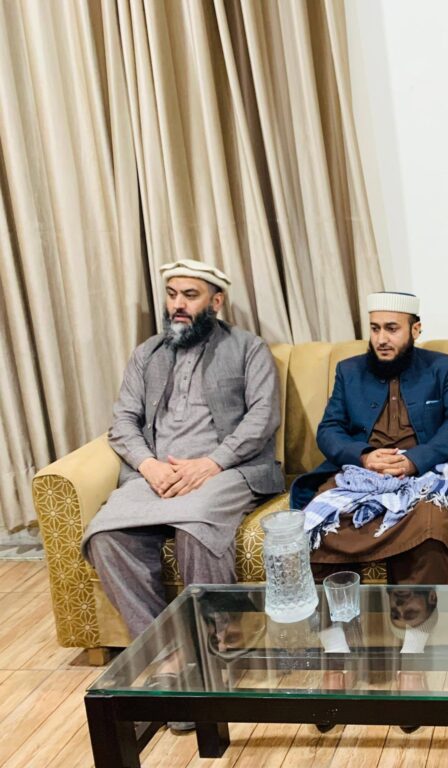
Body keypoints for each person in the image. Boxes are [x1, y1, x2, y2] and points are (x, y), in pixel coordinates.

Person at [83, 259, 282, 681]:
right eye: (172, 294)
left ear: (216, 301)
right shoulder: (147, 354)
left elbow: (263, 418)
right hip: (157, 473)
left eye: (190, 295)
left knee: (197, 528)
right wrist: (148, 464)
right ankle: (170, 649)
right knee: (105, 536)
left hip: (226, 470)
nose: (178, 304)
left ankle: (217, 648)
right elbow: (123, 421)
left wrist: (211, 463)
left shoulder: (249, 348)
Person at [290, 291, 448, 588]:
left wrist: (415, 461)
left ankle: (414, 619)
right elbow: (329, 429)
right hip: (360, 473)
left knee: (430, 531)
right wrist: (363, 456)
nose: (381, 339)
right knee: (320, 529)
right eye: (375, 329)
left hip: (423, 473)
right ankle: (340, 617)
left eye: (391, 329)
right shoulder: (349, 370)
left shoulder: (441, 367)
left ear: (415, 329)